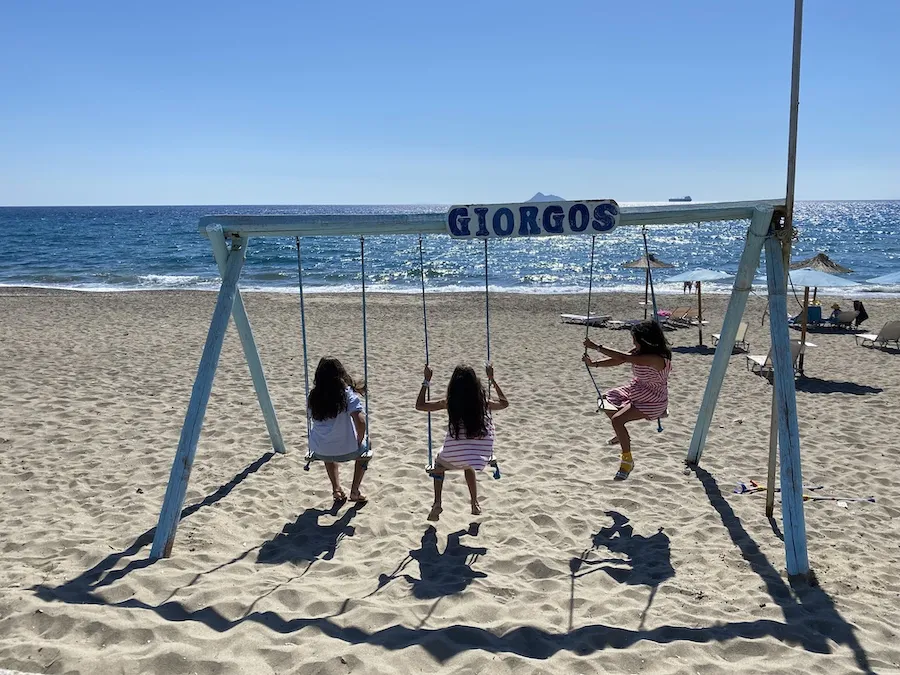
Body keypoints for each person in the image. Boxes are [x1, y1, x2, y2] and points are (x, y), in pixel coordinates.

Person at [415, 363, 508, 521]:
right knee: (468, 461)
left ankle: (437, 502)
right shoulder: (483, 402)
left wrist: (426, 381)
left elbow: (420, 405)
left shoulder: (449, 402)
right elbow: (504, 403)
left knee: (438, 464)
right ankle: (474, 502)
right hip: (478, 459)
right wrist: (492, 379)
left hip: (451, 459)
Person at [583, 320, 672, 480]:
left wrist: (596, 347)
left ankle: (627, 461)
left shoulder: (656, 358)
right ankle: (621, 434)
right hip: (637, 389)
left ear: (644, 339)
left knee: (617, 420)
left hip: (653, 398)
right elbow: (620, 360)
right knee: (604, 401)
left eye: (635, 339)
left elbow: (623, 356)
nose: (633, 342)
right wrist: (594, 364)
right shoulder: (640, 352)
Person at [307, 357, 370, 503]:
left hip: (320, 450)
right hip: (348, 450)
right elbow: (361, 421)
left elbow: (311, 418)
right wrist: (359, 441)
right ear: (340, 374)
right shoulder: (347, 394)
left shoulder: (313, 396)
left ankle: (336, 489)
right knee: (367, 447)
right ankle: (354, 490)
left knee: (327, 442)